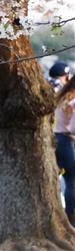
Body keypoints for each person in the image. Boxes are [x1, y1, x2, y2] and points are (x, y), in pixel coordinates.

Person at [54, 75, 75, 225]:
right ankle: (71, 218)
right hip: (67, 140)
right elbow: (73, 127)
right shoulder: (73, 100)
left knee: (59, 179)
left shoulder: (61, 97)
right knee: (71, 181)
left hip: (56, 138)